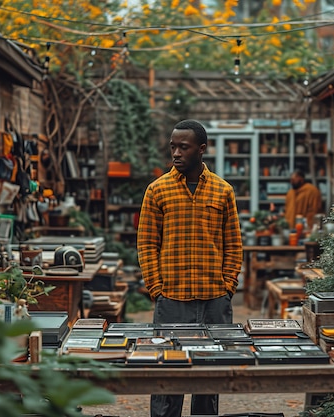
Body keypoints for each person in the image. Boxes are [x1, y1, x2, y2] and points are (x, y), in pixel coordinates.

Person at [137, 119, 243, 417]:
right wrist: (157, 289)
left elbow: (233, 244)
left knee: (209, 380)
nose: (176, 153)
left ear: (202, 149)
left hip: (214, 300)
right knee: (167, 381)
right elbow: (146, 244)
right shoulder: (157, 191)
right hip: (171, 301)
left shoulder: (223, 191)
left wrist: (227, 286)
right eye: (173, 147)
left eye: (183, 147)